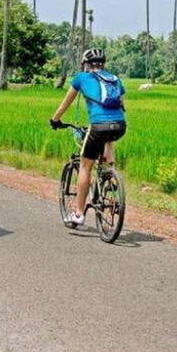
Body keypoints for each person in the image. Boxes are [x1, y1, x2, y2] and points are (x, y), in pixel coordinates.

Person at [49, 48, 127, 225]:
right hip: (120, 125)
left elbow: (65, 103)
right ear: (103, 64)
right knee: (109, 137)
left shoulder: (81, 78)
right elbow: (122, 104)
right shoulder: (114, 78)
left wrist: (55, 120)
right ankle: (110, 175)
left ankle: (78, 214)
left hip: (98, 125)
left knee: (85, 166)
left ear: (85, 63)